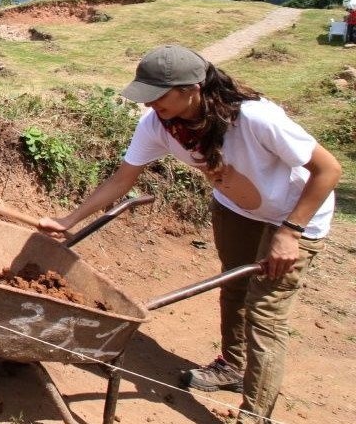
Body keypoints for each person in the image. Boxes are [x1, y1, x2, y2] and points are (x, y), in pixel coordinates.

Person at [37, 45, 340, 424]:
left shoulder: (255, 118)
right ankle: (232, 366)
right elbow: (123, 179)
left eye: (158, 96)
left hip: (296, 215)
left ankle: (254, 416)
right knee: (233, 288)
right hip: (236, 208)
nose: (150, 105)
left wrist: (291, 232)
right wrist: (69, 220)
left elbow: (328, 170)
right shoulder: (159, 125)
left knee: (265, 313)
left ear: (192, 88)